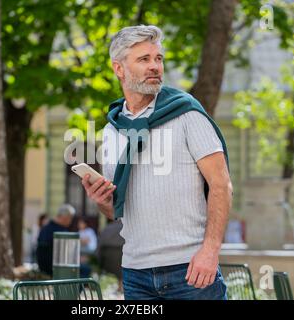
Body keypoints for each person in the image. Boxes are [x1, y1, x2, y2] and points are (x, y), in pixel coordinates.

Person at [81, 25, 233, 300]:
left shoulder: (187, 114)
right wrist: (102, 201)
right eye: (144, 59)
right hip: (136, 272)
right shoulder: (112, 130)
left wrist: (210, 252)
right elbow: (118, 212)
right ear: (119, 69)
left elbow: (221, 185)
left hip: (191, 270)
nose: (155, 67)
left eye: (158, 58)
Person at [36, 204, 75, 276]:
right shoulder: (61, 232)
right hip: (56, 268)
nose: (71, 221)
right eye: (71, 218)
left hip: (43, 267)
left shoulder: (45, 228)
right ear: (65, 217)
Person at [97, 219, 125, 292]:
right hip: (123, 260)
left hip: (107, 262)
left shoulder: (108, 228)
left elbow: (99, 245)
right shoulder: (126, 227)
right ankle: (121, 286)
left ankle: (119, 287)